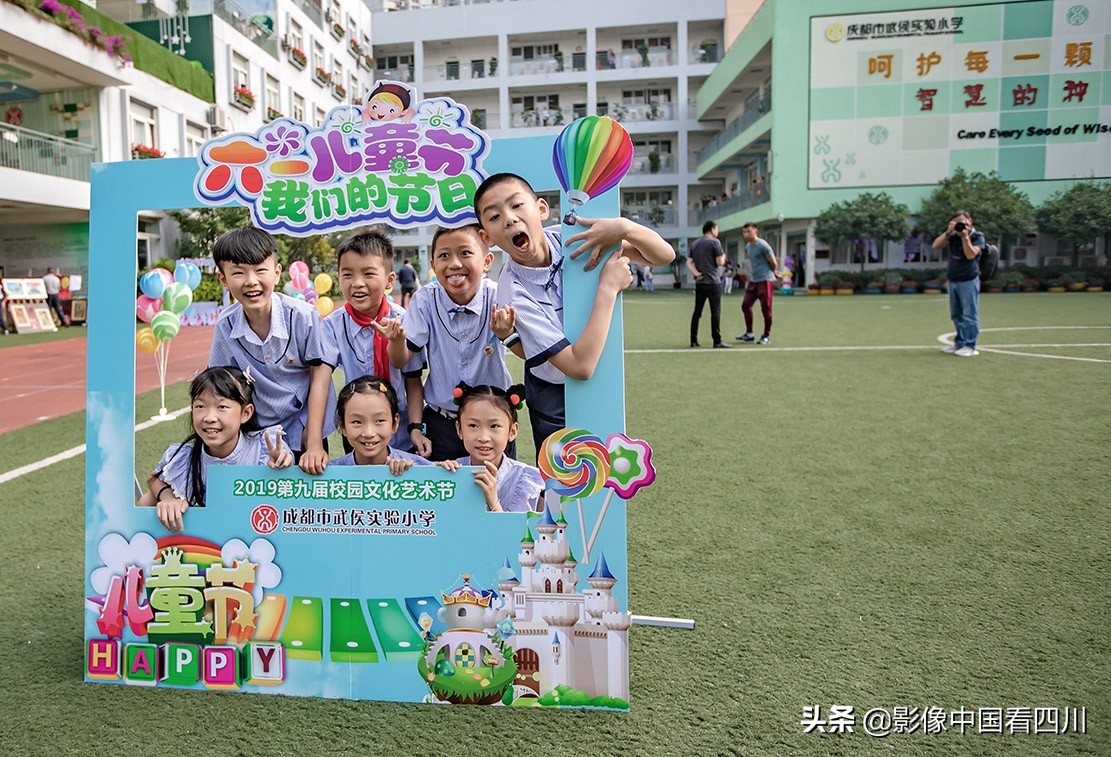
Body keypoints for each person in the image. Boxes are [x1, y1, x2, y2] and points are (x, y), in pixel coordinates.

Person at [474, 172, 675, 452]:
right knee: (562, 469)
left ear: (541, 209)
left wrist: (624, 228)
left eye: (517, 205)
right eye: (494, 217)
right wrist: (608, 288)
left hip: (598, 373)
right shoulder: (513, 294)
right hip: (552, 391)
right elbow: (580, 367)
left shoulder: (570, 237)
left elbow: (663, 256)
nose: (509, 219)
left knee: (605, 459)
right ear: (487, 237)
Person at [378, 225, 515, 461]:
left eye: (465, 253)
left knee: (495, 483)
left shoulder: (500, 296)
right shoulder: (425, 300)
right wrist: (397, 341)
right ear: (433, 265)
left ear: (487, 261)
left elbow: (528, 352)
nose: (454, 264)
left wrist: (507, 334)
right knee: (443, 483)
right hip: (442, 422)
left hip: (493, 421)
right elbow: (400, 361)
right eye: (444, 255)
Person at [300, 230, 426, 475]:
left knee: (399, 485)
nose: (357, 283)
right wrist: (314, 443)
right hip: (356, 428)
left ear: (389, 280)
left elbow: (413, 380)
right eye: (347, 274)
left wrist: (416, 428)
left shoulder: (404, 320)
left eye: (368, 273)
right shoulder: (333, 325)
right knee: (360, 487)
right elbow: (320, 383)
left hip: (399, 428)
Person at [208, 227, 334, 458]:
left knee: (308, 477)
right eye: (239, 273)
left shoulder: (303, 316)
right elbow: (220, 384)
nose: (251, 281)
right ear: (223, 279)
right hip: (257, 431)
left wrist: (314, 439)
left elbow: (320, 376)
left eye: (260, 270)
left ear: (276, 273)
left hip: (305, 423)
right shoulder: (225, 325)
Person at [140, 366, 293, 532]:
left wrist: (282, 467)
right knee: (147, 500)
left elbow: (290, 491)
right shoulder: (185, 457)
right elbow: (154, 480)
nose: (209, 418)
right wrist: (167, 497)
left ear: (246, 413)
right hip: (207, 544)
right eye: (200, 406)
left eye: (222, 407)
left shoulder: (265, 448)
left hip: (255, 540)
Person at [437, 384, 543, 512]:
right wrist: (434, 475)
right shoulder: (451, 471)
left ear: (512, 431)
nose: (483, 437)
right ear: (459, 429)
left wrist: (493, 502)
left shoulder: (526, 480)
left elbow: (524, 527)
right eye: (473, 425)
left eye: (494, 426)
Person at [329, 376, 432, 474]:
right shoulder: (329, 474)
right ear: (343, 426)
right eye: (357, 422)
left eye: (379, 421)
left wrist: (442, 471)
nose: (369, 433)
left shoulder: (419, 467)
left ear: (395, 423)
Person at [932, 210, 984, 357]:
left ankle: (970, 345)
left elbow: (970, 255)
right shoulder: (952, 236)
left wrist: (965, 237)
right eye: (956, 222)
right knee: (956, 315)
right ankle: (959, 343)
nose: (960, 225)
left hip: (968, 280)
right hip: (953, 280)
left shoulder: (977, 237)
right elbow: (936, 245)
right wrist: (948, 231)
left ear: (970, 221)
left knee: (969, 315)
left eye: (962, 221)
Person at [687, 221, 729, 349]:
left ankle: (693, 339)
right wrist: (724, 256)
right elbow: (720, 262)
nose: (717, 232)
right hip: (713, 282)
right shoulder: (715, 242)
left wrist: (696, 273)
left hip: (700, 282)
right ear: (712, 229)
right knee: (715, 312)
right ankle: (717, 341)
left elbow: (689, 262)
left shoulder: (695, 243)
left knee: (697, 312)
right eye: (717, 229)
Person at [737, 222, 779, 345]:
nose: (746, 234)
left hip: (765, 280)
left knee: (766, 308)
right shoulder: (748, 247)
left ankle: (766, 335)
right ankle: (749, 334)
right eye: (744, 232)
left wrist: (773, 273)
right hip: (754, 280)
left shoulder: (762, 245)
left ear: (756, 231)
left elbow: (773, 262)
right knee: (745, 305)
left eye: (748, 231)